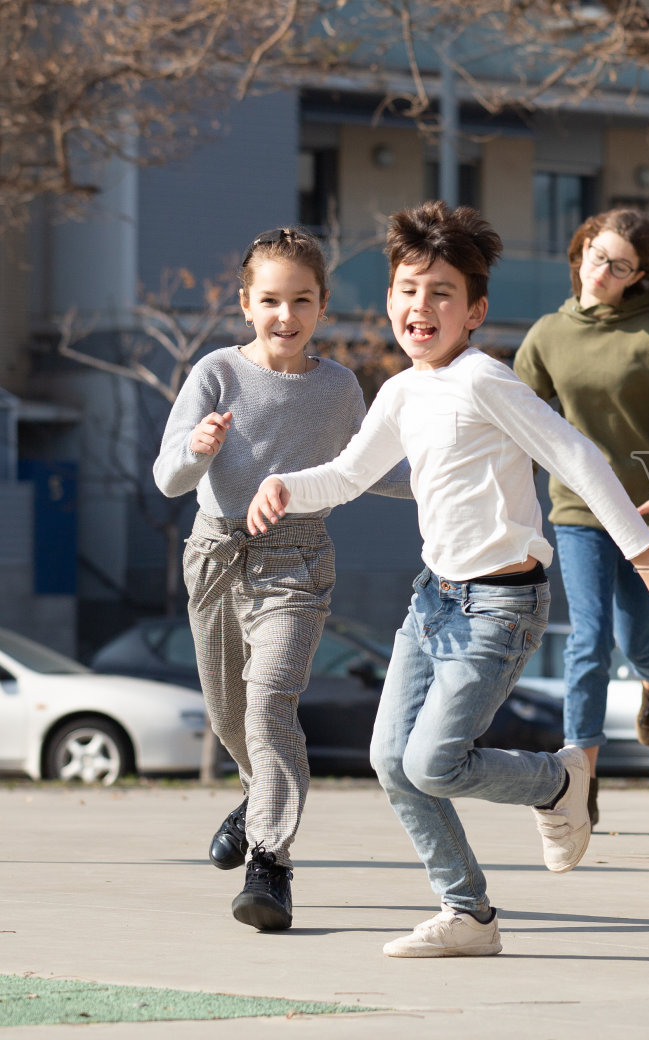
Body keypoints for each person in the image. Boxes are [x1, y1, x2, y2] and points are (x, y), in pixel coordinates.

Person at [246, 202, 649, 956]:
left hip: (500, 605)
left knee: (433, 763)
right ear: (389, 301)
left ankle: (556, 780)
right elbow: (352, 474)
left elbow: (576, 457)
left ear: (474, 311)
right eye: (410, 289)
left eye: (443, 293)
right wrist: (286, 484)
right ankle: (469, 915)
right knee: (393, 761)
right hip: (434, 600)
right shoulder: (402, 391)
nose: (423, 306)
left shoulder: (485, 381)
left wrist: (641, 549)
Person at [153, 227, 412, 932]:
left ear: (323, 306)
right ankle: (258, 795)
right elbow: (167, 476)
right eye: (270, 300)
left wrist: (447, 480)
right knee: (231, 716)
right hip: (214, 557)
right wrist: (198, 447)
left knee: (270, 703)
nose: (285, 316)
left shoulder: (337, 388)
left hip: (296, 561)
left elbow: (371, 470)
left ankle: (270, 862)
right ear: (245, 304)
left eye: (302, 301)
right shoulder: (215, 374)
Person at [513, 209, 649, 824]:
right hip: (578, 508)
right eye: (596, 255)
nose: (602, 270)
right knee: (589, 638)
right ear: (580, 252)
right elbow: (512, 413)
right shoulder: (548, 334)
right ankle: (582, 780)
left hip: (648, 512)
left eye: (619, 264)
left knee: (638, 640)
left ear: (638, 274)